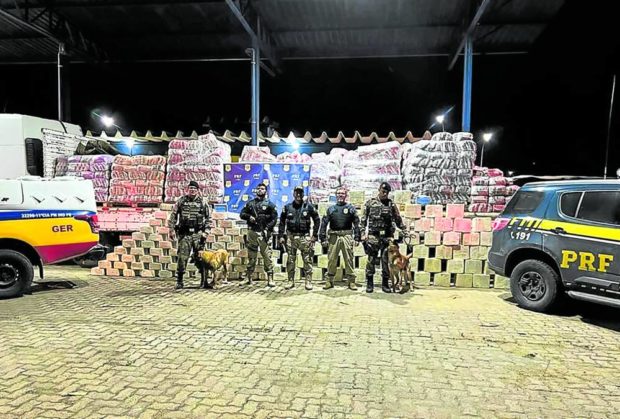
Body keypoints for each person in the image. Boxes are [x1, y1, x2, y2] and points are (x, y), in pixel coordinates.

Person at [360, 182, 408, 293]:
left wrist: (404, 230)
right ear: (379, 190)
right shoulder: (370, 203)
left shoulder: (391, 204)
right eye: (383, 191)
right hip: (373, 236)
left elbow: (398, 219)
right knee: (371, 260)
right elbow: (363, 220)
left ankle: (385, 283)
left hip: (387, 237)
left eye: (386, 192)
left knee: (386, 261)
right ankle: (369, 283)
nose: (384, 193)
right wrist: (363, 233)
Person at [168, 180, 211, 290]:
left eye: (194, 189)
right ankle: (180, 281)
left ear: (198, 190)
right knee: (182, 258)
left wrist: (206, 232)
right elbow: (173, 215)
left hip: (198, 234)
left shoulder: (203, 202)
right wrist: (171, 229)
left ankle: (204, 280)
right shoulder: (181, 201)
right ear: (188, 189)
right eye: (190, 188)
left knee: (201, 258)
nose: (192, 190)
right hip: (185, 234)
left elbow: (209, 218)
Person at [278, 186, 320, 290]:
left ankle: (308, 281)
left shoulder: (308, 207)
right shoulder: (287, 207)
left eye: (300, 193)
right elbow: (282, 222)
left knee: (307, 260)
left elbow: (317, 220)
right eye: (296, 193)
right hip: (291, 238)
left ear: (303, 194)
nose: (298, 195)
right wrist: (281, 236)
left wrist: (314, 235)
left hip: (304, 238)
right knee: (290, 260)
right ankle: (290, 281)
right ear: (293, 194)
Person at [319, 187, 361, 290]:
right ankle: (329, 280)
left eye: (342, 193)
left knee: (349, 259)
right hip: (334, 236)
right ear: (336, 195)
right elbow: (324, 224)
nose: (340, 195)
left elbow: (356, 223)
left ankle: (351, 281)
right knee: (332, 259)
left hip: (347, 235)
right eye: (338, 193)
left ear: (346, 195)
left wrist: (357, 237)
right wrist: (323, 238)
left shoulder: (351, 208)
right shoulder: (331, 209)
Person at [239, 183, 278, 287]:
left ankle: (270, 278)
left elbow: (274, 219)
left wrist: (267, 228)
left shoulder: (270, 204)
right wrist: (249, 217)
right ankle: (248, 277)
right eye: (258, 188)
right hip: (252, 233)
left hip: (263, 233)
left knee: (267, 256)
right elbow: (242, 214)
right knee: (251, 256)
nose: (260, 190)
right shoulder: (251, 204)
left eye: (262, 189)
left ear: (266, 191)